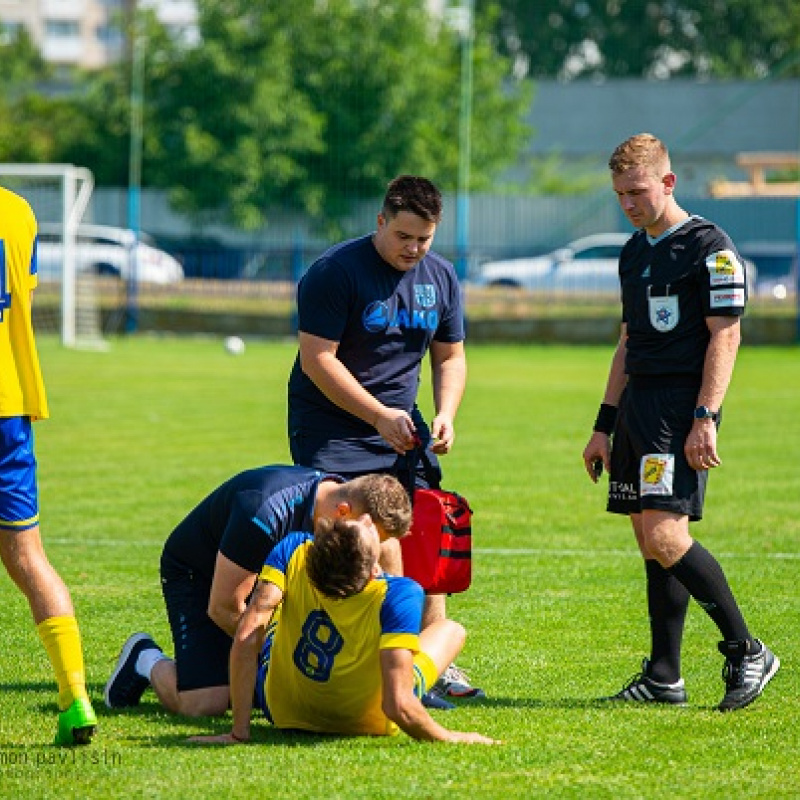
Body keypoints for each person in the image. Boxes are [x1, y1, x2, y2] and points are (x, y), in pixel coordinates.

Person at [581, 133, 779, 711]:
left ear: (668, 182)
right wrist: (603, 425)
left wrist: (705, 417)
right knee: (650, 539)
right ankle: (664, 676)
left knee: (668, 534)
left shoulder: (710, 247)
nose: (629, 203)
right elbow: (626, 343)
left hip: (678, 408)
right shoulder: (632, 251)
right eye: (619, 194)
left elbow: (727, 334)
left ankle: (747, 650)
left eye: (637, 191)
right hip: (638, 407)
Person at [286, 175, 479, 700]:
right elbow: (317, 359)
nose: (414, 249)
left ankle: (427, 657)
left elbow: (450, 355)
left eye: (425, 238)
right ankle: (344, 654)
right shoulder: (334, 272)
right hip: (332, 425)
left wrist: (446, 414)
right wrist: (376, 416)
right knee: (349, 538)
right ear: (380, 221)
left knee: (424, 533)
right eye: (404, 237)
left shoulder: (439, 276)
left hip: (401, 426)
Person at [104, 466, 411, 717]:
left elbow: (387, 570)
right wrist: (275, 664)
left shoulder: (345, 514)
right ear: (344, 511)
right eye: (374, 536)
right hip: (199, 574)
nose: (374, 553)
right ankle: (144, 658)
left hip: (256, 576)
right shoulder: (265, 514)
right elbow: (224, 607)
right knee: (205, 704)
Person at [190, 515, 499, 745]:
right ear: (375, 571)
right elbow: (398, 705)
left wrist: (238, 732)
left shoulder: (295, 548)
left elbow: (248, 632)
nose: (366, 518)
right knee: (450, 630)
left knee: (268, 615)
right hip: (371, 721)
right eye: (365, 528)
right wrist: (453, 737)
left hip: (282, 709)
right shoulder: (401, 591)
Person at [0, 185, 97, 745]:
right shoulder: (19, 210)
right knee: (29, 558)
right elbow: (23, 298)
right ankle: (75, 697)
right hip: (10, 407)